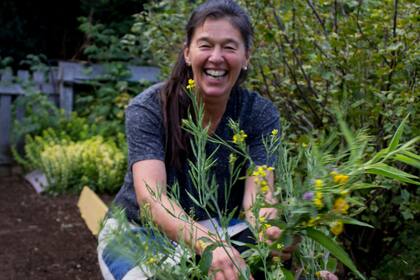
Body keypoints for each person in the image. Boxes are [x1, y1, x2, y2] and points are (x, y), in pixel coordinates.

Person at [97, 1, 299, 279]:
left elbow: (258, 199)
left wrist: (270, 231)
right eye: (206, 45)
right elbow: (151, 199)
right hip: (138, 230)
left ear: (246, 56)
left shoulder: (259, 114)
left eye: (229, 47)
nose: (217, 57)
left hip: (220, 227)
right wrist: (209, 245)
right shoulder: (149, 108)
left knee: (266, 264)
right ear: (188, 53)